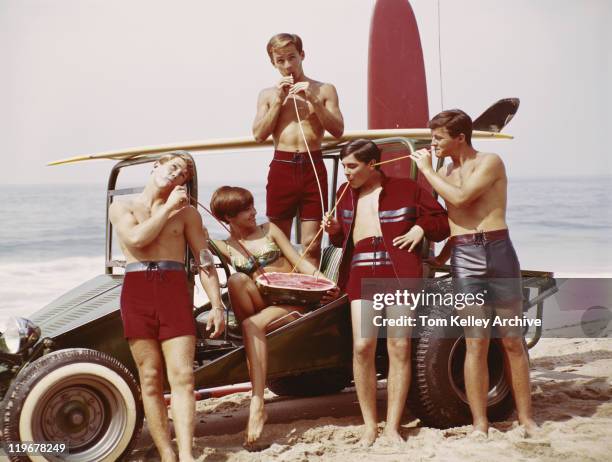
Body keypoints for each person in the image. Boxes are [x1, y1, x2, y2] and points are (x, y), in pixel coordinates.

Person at [410, 109, 538, 437]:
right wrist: (438, 251)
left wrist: (426, 169)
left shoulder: (490, 162)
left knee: (511, 340)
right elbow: (448, 217)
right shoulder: (445, 173)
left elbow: (463, 198)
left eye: (438, 137)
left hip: (498, 251)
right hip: (465, 255)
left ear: (460, 138)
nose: (433, 143)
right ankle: (480, 424)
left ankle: (526, 419)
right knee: (475, 342)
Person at [322, 140, 449, 445]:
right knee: (363, 346)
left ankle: (392, 426)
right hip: (361, 272)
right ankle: (369, 425)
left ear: (372, 165)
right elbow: (343, 240)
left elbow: (441, 223)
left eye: (352, 166)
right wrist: (334, 228)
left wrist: (420, 229)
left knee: (398, 346)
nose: (346, 173)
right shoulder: (344, 193)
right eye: (344, 166)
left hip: (399, 271)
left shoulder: (407, 188)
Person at [109, 152, 225, 462]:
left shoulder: (187, 214)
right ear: (155, 167)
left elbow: (204, 259)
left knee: (183, 376)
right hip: (137, 292)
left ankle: (186, 453)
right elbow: (137, 240)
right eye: (173, 167)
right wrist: (167, 209)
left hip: (174, 292)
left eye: (184, 174)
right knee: (149, 378)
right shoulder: (122, 207)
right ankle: (166, 453)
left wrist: (217, 304)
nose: (177, 175)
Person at [209, 186, 339, 447]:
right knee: (236, 280)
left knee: (250, 323)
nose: (253, 212)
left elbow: (299, 261)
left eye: (252, 206)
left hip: (291, 303)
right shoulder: (225, 246)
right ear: (227, 218)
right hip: (259, 306)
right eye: (244, 209)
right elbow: (195, 249)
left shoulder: (269, 230)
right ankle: (254, 336)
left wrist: (325, 284)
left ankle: (258, 402)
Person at [252, 32, 344, 266]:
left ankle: (311, 297)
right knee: (278, 241)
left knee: (311, 241)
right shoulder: (267, 94)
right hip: (282, 165)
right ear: (273, 63)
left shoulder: (324, 89)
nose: (287, 65)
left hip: (312, 164)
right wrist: (278, 102)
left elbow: (338, 130)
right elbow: (259, 134)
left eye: (292, 58)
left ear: (302, 55)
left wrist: (313, 100)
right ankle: (284, 292)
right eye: (280, 61)